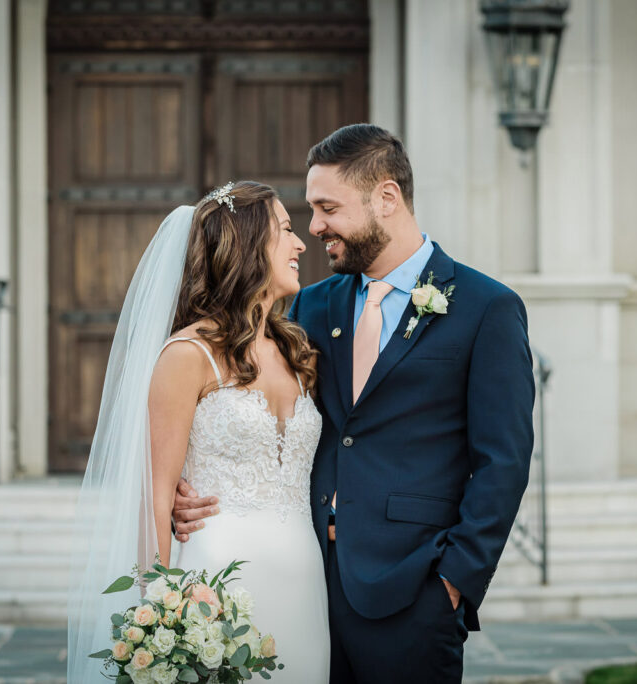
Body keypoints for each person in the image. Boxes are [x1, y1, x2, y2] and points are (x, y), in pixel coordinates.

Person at [173, 124, 536, 682]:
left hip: (414, 590)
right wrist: (185, 480)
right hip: (303, 583)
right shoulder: (308, 309)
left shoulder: (487, 308)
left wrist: (455, 581)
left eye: (327, 208)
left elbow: (503, 460)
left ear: (386, 198)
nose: (314, 226)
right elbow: (240, 400)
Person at [67, 181, 329, 683]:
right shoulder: (187, 356)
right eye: (288, 231)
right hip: (215, 584)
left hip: (303, 578)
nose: (301, 245)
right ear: (249, 246)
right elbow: (155, 497)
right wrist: (160, 614)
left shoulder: (298, 352)